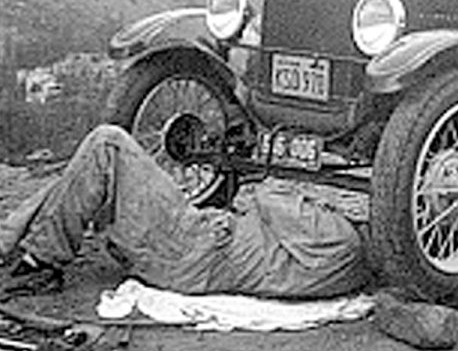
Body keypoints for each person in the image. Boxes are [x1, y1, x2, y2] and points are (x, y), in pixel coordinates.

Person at [0, 125, 367, 299]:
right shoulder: (348, 264)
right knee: (90, 173)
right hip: (195, 254)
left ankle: (37, 263)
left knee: (108, 143)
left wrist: (307, 184)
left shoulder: (342, 240)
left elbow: (266, 196)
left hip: (193, 247)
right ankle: (19, 247)